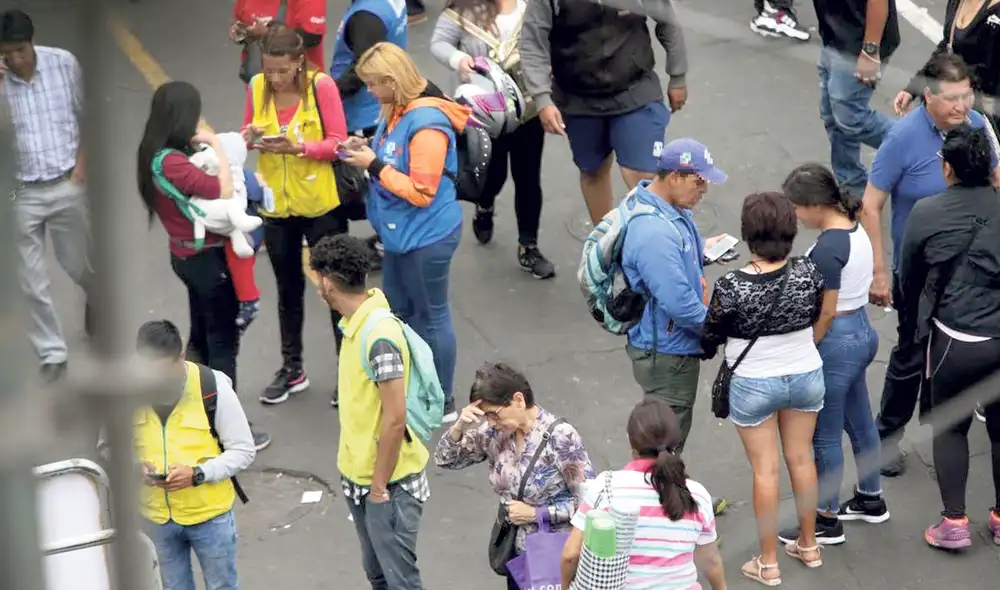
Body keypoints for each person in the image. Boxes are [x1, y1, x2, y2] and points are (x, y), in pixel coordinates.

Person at [860, 52, 998, 476]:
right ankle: (886, 438)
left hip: (972, 273)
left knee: (961, 351)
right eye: (952, 98)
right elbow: (871, 204)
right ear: (927, 97)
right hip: (918, 272)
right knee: (909, 355)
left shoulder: (977, 128)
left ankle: (946, 420)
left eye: (967, 95)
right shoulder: (903, 139)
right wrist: (880, 270)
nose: (962, 106)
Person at [138, 81, 272, 451]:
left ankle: (195, 412)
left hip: (185, 255)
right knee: (222, 342)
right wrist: (215, 144)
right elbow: (224, 191)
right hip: (206, 260)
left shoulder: (159, 152)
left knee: (201, 334)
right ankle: (226, 427)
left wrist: (235, 140)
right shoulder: (172, 161)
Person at [339, 42, 469, 422]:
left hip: (427, 237)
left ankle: (443, 399)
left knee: (431, 314)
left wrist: (374, 163)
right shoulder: (395, 111)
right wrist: (366, 147)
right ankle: (412, 381)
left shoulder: (427, 123)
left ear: (393, 82)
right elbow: (395, 155)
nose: (368, 91)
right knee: (397, 309)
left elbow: (422, 192)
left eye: (373, 84)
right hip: (400, 236)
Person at [701, 192, 826, 583]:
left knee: (766, 470)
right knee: (802, 459)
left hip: (754, 382)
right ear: (790, 232)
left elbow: (710, 338)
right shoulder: (809, 272)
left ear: (748, 234)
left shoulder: (732, 286)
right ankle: (809, 545)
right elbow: (815, 311)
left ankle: (768, 562)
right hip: (806, 373)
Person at [896, 125, 1000, 548]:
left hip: (954, 340)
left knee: (951, 427)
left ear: (947, 169)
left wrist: (912, 329)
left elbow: (909, 278)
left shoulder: (927, 212)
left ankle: (954, 524)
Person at [309, 234, 429, 590]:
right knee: (378, 575)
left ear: (326, 282)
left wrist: (378, 489)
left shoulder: (378, 337)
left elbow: (395, 420)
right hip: (359, 478)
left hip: (388, 485)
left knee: (399, 582)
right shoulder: (356, 325)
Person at [779, 164, 889, 548]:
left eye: (796, 208)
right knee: (860, 422)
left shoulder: (827, 248)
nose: (794, 216)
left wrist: (806, 346)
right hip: (861, 331)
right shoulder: (854, 227)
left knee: (824, 437)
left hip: (836, 338)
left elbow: (823, 312)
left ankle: (826, 519)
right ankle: (870, 497)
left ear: (813, 205)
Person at [242, 26, 349, 406]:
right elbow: (246, 129)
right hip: (276, 206)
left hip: (320, 204)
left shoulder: (322, 88)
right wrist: (251, 135)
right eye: (269, 70)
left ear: (299, 62)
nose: (274, 78)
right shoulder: (256, 86)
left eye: (282, 71)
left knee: (337, 291)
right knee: (287, 291)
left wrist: (300, 147)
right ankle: (293, 368)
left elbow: (339, 143)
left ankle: (349, 374)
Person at [520, 0, 687, 225]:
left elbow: (668, 20)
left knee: (643, 176)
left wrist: (677, 76)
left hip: (634, 89)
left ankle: (656, 244)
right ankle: (605, 242)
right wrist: (542, 98)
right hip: (578, 97)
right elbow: (532, 43)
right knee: (593, 171)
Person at [435, 361, 594, 590]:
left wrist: (538, 513)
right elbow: (445, 459)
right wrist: (459, 426)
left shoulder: (561, 438)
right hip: (517, 554)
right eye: (485, 416)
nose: (490, 422)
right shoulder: (494, 434)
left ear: (518, 400)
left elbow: (590, 504)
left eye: (494, 414)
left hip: (554, 555)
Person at [431, 0, 555, 279]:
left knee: (528, 179)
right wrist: (459, 60)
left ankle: (528, 246)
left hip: (527, 110)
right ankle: (484, 205)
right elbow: (439, 43)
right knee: (492, 176)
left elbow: (552, 39)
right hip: (484, 115)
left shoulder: (532, 8)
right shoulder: (464, 10)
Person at [1, 9, 93, 383]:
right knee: (30, 281)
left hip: (65, 183)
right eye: (6, 53)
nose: (15, 60)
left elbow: (88, 118)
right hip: (20, 193)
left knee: (78, 264)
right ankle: (51, 352)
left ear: (32, 42)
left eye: (20, 50)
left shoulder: (63, 65)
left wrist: (80, 172)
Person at [620, 139, 728, 454]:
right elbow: (681, 304)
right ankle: (666, 500)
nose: (704, 188)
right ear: (674, 177)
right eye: (699, 180)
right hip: (668, 354)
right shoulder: (655, 232)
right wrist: (718, 329)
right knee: (664, 446)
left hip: (663, 346)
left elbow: (665, 264)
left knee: (660, 440)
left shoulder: (662, 207)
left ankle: (669, 496)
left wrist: (701, 249)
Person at [133, 320, 256, 590]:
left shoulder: (212, 387)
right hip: (156, 518)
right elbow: (107, 446)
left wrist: (198, 474)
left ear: (181, 357)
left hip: (209, 517)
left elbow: (244, 450)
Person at [560, 398, 726, 590]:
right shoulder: (697, 495)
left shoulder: (605, 487)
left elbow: (570, 555)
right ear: (676, 440)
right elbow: (711, 561)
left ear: (630, 439)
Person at [329, 0, 408, 270]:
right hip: (378, 109)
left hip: (363, 114)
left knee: (372, 187)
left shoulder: (366, 16)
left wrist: (324, 97)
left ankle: (388, 245)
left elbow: (362, 72)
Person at [811, 0, 899, 197]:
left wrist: (870, 49)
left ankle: (918, 145)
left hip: (858, 43)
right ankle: (852, 185)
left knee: (851, 118)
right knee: (832, 116)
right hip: (833, 33)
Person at [894, 0, 1000, 133]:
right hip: (953, 108)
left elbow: (990, 72)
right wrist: (913, 88)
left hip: (981, 114)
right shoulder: (956, 2)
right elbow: (947, 48)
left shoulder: (996, 15)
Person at [231, 0, 328, 72]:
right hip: (259, 82)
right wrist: (239, 32)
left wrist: (267, 33)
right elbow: (240, 21)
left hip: (301, 83)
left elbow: (312, 37)